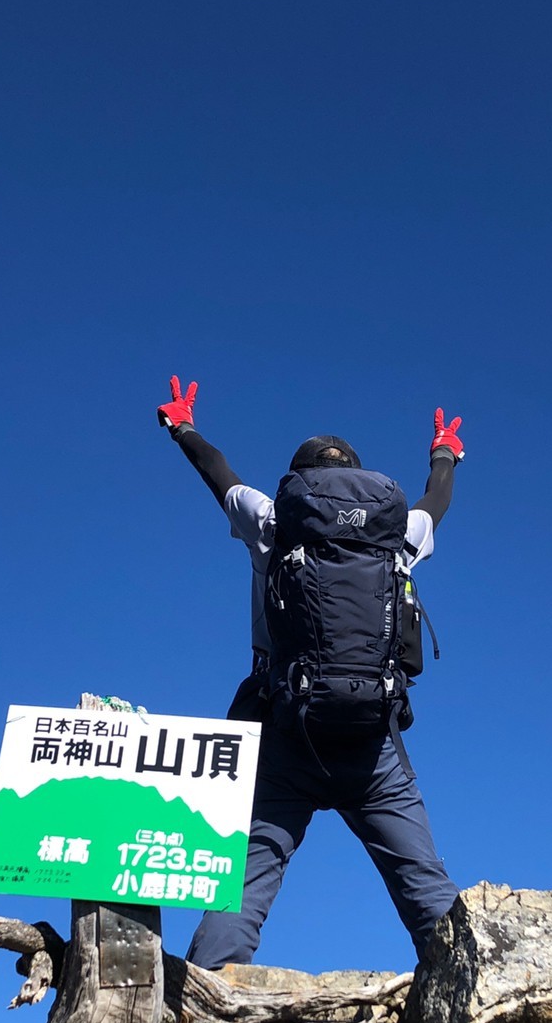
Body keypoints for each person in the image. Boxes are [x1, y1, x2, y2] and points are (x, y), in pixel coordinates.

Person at [157, 375, 464, 969]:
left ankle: (204, 1009)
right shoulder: (393, 532)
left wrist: (183, 426)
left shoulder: (275, 520)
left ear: (300, 477)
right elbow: (438, 502)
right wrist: (445, 451)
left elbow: (218, 474)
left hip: (287, 735)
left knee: (246, 880)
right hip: (371, 742)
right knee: (421, 879)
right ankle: (473, 992)